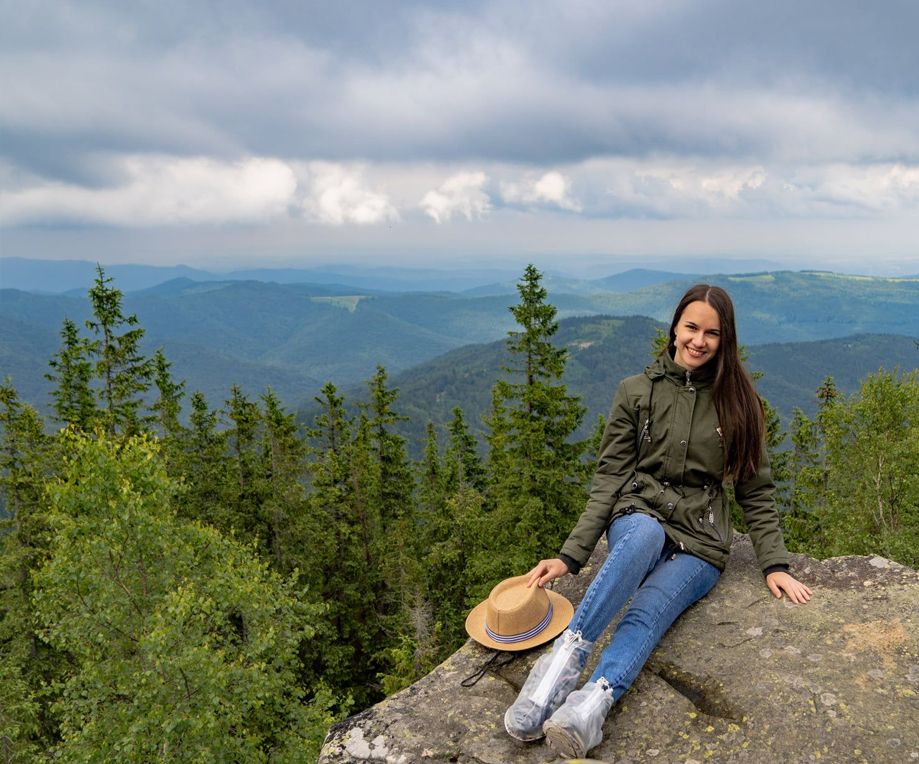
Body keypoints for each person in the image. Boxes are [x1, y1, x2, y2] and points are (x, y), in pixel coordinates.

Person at [503, 284, 812, 759]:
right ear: (674, 328)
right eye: (691, 327)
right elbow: (610, 479)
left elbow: (755, 489)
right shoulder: (636, 391)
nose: (698, 341)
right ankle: (558, 670)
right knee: (643, 534)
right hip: (640, 513)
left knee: (647, 611)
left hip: (701, 540)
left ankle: (589, 708)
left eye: (712, 333)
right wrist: (571, 555)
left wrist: (774, 564)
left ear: (725, 340)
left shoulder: (740, 404)